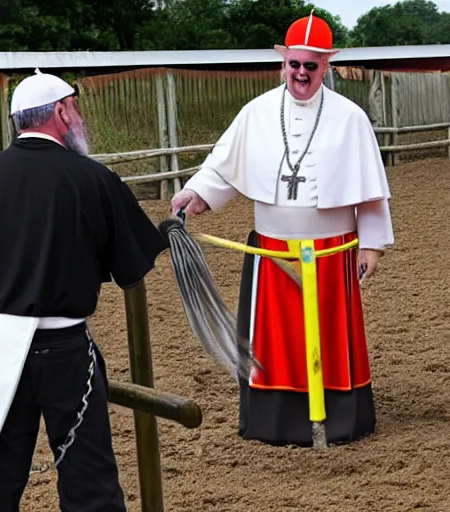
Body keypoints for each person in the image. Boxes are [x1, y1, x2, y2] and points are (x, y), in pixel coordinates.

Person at [0, 69, 167, 511]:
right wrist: (170, 227)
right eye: (75, 107)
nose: (78, 116)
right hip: (63, 348)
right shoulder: (93, 178)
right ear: (61, 112)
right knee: (88, 479)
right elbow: (131, 266)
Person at [171, 13, 394, 447]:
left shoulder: (351, 118)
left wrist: (371, 246)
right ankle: (275, 422)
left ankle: (341, 419)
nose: (301, 74)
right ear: (283, 63)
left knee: (328, 339)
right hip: (272, 254)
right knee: (275, 343)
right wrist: (195, 194)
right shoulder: (256, 113)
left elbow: (369, 191)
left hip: (330, 254)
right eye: (294, 64)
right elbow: (223, 166)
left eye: (311, 66)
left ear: (326, 66)